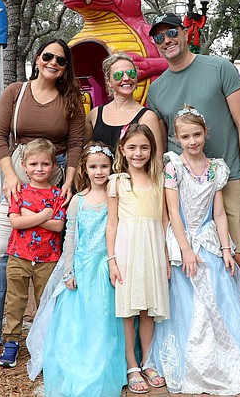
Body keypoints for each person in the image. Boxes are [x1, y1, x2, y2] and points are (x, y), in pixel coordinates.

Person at [0, 38, 85, 353]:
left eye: (61, 60)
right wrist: (9, 176)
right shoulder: (16, 92)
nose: (54, 62)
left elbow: (77, 141)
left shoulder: (70, 99)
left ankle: (51, 337)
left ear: (66, 67)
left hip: (56, 179)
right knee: (1, 250)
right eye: (48, 56)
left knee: (53, 255)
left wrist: (71, 180)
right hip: (19, 177)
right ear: (38, 59)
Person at [146, 106, 240, 394]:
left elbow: (218, 214)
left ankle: (226, 357)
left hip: (209, 239)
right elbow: (174, 212)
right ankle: (192, 362)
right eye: (186, 136)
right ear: (177, 138)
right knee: (189, 303)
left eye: (197, 135)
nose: (192, 141)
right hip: (183, 241)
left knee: (218, 298)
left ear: (205, 134)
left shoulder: (217, 168)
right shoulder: (173, 166)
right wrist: (185, 249)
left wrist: (226, 248)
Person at [146, 13, 240, 302]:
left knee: (239, 255)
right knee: (192, 259)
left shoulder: (219, 67)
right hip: (184, 186)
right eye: (159, 38)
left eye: (171, 33)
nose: (167, 41)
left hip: (229, 177)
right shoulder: (157, 89)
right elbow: (161, 144)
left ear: (185, 33)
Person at [26, 142, 127, 396]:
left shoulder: (116, 198)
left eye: (104, 166)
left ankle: (109, 365)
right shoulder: (78, 201)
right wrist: (69, 270)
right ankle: (77, 364)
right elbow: (70, 238)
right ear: (85, 168)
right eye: (93, 167)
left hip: (106, 266)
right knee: (79, 322)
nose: (99, 172)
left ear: (111, 167)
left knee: (106, 320)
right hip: (82, 267)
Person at [107, 124, 169, 394]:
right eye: (132, 147)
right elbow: (112, 224)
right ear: (122, 150)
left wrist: (166, 256)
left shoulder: (160, 180)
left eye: (144, 147)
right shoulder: (117, 182)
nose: (138, 153)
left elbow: (165, 219)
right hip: (127, 249)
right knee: (129, 309)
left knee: (148, 309)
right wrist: (112, 259)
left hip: (153, 247)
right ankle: (132, 364)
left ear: (152, 150)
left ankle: (148, 360)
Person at [0, 138, 66, 368]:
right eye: (34, 164)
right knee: (16, 299)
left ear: (54, 166)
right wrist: (45, 215)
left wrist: (31, 216)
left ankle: (44, 341)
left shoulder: (58, 195)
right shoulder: (19, 192)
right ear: (24, 165)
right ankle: (12, 341)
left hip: (48, 258)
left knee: (44, 301)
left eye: (45, 164)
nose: (39, 169)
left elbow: (58, 226)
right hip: (19, 255)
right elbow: (16, 222)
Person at [86, 52, 163, 156]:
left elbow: (156, 162)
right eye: (118, 75)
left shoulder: (148, 117)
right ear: (109, 81)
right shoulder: (94, 115)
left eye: (131, 73)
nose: (126, 78)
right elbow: (84, 156)